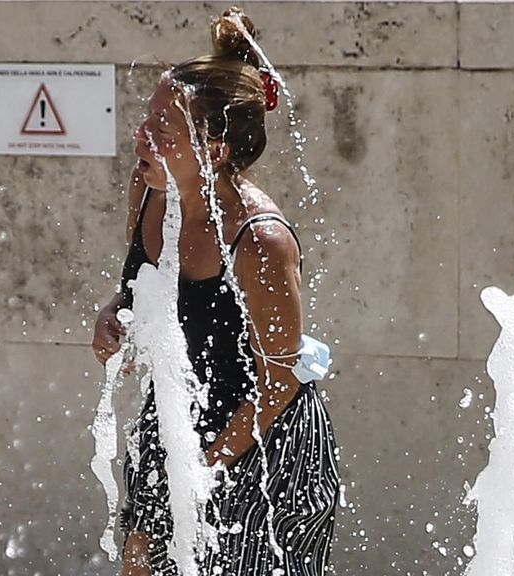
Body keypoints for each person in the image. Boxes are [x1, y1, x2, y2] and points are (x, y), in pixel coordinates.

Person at [91, 8, 340, 576]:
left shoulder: (259, 241)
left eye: (162, 127)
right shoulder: (153, 188)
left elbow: (281, 375)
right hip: (178, 414)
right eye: (147, 116)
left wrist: (202, 468)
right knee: (140, 562)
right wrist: (114, 314)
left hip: (263, 442)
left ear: (215, 149)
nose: (142, 135)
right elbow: (136, 286)